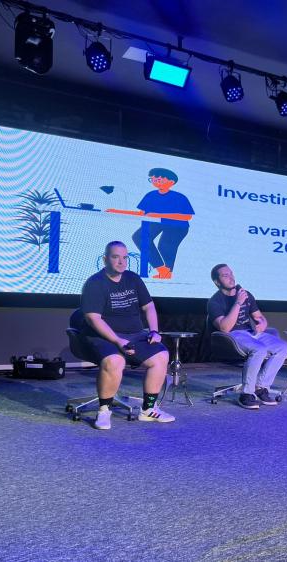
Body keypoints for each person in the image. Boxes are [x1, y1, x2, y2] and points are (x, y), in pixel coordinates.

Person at [80, 241, 175, 429]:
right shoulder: (95, 283)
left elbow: (149, 307)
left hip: (136, 334)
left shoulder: (133, 279)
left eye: (125, 258)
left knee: (161, 356)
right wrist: (117, 340)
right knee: (115, 361)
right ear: (105, 259)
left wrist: (154, 331)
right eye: (115, 257)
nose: (121, 262)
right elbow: (93, 318)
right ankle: (104, 410)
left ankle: (148, 409)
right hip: (104, 335)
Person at [207, 264, 287, 409]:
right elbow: (225, 327)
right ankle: (246, 394)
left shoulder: (246, 295)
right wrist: (238, 302)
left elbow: (259, 317)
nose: (231, 278)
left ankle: (260, 387)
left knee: (282, 347)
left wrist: (262, 324)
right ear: (217, 282)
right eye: (225, 275)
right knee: (259, 349)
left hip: (250, 333)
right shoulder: (215, 301)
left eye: (231, 273)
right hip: (231, 336)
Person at [131, 168, 195, 280]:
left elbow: (187, 216)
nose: (155, 182)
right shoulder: (151, 195)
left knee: (165, 246)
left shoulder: (179, 197)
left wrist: (159, 215)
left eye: (159, 179)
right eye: (152, 180)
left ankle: (167, 273)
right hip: (159, 222)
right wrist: (116, 211)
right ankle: (162, 270)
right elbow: (142, 213)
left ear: (171, 182)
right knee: (139, 236)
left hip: (178, 226)